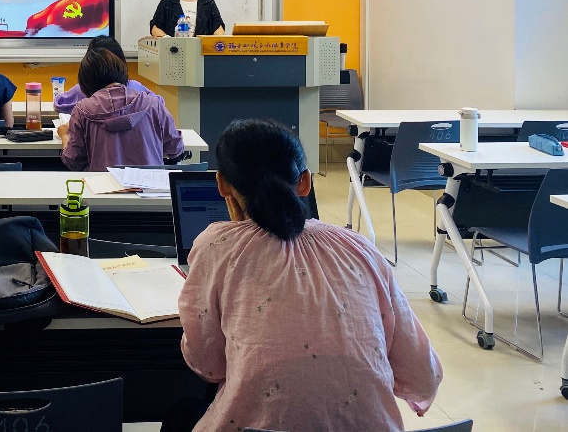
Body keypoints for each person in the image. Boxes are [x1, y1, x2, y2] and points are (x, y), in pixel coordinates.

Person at [172, 118, 441, 432]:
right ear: (305, 182)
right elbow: (424, 376)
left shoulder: (217, 247)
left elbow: (208, 366)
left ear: (221, 184)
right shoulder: (361, 249)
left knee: (184, 412)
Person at [57, 49, 183, 172]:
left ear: (85, 82)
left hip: (102, 184)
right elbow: (176, 148)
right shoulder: (153, 103)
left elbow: (74, 162)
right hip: (150, 184)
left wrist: (65, 136)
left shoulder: (82, 110)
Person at [53, 35, 160, 114]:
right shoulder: (135, 88)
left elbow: (59, 104)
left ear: (89, 63)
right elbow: (159, 103)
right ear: (121, 62)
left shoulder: (81, 91)